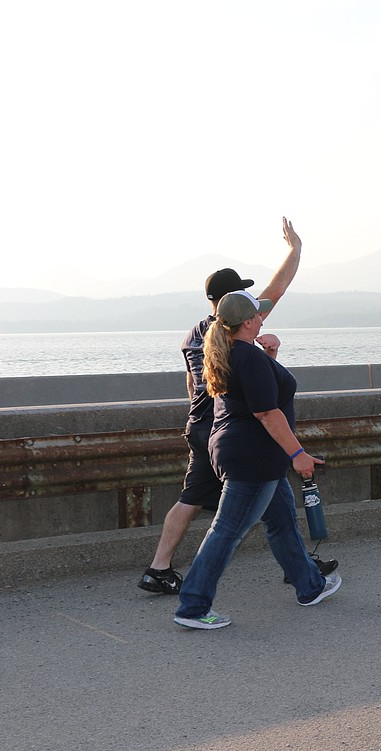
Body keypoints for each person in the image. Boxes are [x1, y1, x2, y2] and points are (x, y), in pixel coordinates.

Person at [139, 217, 336, 595]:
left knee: (195, 498)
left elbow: (192, 384)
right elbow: (276, 291)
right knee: (238, 519)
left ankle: (159, 567)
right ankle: (207, 594)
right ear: (236, 304)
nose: (256, 305)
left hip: (201, 426)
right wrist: (295, 250)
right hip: (235, 429)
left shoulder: (195, 336)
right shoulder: (234, 330)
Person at [174, 289, 341, 629]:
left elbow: (261, 393)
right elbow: (267, 411)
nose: (263, 316)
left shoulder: (236, 352)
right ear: (249, 321)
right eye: (259, 313)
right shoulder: (247, 357)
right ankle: (192, 607)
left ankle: (310, 586)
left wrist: (272, 355)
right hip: (253, 456)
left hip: (251, 453)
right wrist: (298, 454)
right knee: (226, 531)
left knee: (281, 522)